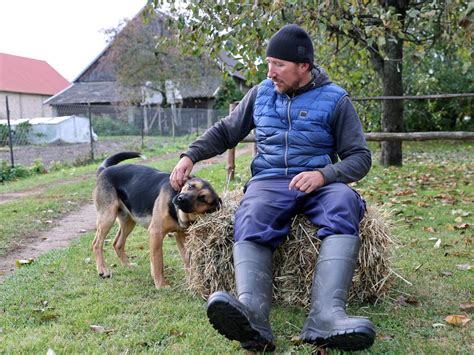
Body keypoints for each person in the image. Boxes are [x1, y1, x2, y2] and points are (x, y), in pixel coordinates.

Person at [170, 24, 375, 352]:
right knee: (250, 213)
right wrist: (190, 155)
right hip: (268, 181)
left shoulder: (336, 99)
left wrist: (324, 175)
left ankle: (326, 317)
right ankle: (253, 316)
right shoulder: (261, 93)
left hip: (318, 183)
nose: (270, 72)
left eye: (278, 65)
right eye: (268, 63)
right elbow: (226, 131)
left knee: (344, 203)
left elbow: (360, 158)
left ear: (303, 67)